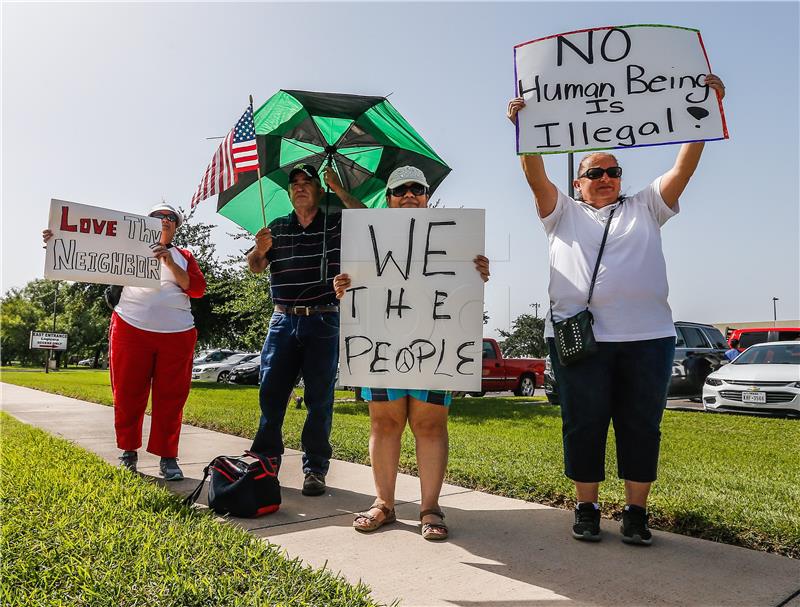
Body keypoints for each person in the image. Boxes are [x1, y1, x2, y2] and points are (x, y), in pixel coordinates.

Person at [507, 75, 726, 546]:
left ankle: (635, 512)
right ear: (577, 182)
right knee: (583, 422)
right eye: (594, 173)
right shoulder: (560, 211)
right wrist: (525, 130)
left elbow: (684, 168)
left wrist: (705, 111)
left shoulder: (647, 204)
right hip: (578, 340)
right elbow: (533, 174)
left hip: (647, 338)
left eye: (612, 172)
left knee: (640, 424)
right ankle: (586, 508)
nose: (605, 179)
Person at [333, 165, 490, 540]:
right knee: (384, 424)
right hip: (381, 344)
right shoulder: (366, 240)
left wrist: (478, 272)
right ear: (387, 200)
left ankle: (430, 509)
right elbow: (360, 286)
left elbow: (461, 289)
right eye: (399, 189)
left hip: (436, 345)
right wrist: (346, 286)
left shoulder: (452, 239)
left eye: (416, 189)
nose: (408, 195)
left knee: (430, 425)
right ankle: (383, 504)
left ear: (427, 196)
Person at [43, 203, 206, 480]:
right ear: (146, 222)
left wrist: (167, 260)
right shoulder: (125, 247)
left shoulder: (184, 255)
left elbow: (198, 289)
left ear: (176, 226)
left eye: (169, 218)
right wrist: (57, 241)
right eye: (156, 217)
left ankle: (168, 458)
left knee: (171, 398)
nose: (163, 220)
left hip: (177, 334)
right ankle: (128, 452)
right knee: (128, 394)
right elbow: (87, 253)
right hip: (131, 329)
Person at [247, 163, 364, 497]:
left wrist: (338, 188)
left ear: (318, 189)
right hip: (283, 318)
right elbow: (255, 268)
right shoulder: (277, 227)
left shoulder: (337, 222)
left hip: (324, 319)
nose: (299, 187)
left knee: (319, 399)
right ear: (288, 193)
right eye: (294, 183)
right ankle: (266, 462)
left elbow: (370, 218)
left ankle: (315, 469)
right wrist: (260, 250)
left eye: (307, 182)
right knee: (271, 395)